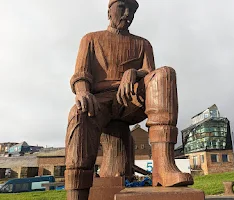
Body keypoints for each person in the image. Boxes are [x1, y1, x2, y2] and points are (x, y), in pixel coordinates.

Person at [65, 0, 193, 199]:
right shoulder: (90, 39)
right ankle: (76, 192)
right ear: (109, 11)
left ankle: (164, 167)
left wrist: (133, 72)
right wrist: (82, 91)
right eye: (122, 8)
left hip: (131, 99)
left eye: (132, 10)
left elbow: (150, 73)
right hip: (100, 101)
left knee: (165, 74)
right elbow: (81, 74)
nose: (127, 14)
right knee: (78, 113)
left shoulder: (142, 44)